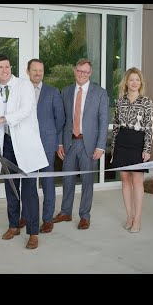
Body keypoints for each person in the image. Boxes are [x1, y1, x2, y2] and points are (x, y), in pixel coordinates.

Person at [0, 54, 49, 250]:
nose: (4, 70)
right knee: (10, 188)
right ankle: (13, 225)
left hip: (26, 146)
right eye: (0, 68)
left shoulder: (24, 85)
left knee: (29, 191)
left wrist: (1, 118)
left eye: (7, 67)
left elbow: (26, 110)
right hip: (7, 146)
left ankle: (33, 232)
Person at [54, 58, 109, 230]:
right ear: (74, 70)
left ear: (90, 73)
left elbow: (103, 120)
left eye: (85, 72)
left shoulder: (100, 93)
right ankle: (65, 212)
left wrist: (100, 146)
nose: (82, 74)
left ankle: (84, 216)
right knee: (67, 180)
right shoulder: (66, 91)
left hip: (90, 145)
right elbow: (61, 120)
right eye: (79, 71)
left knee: (87, 182)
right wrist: (59, 144)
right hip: (69, 143)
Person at [110, 67, 153, 233]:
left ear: (140, 82)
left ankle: (137, 219)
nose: (135, 83)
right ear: (126, 82)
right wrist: (113, 148)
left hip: (138, 142)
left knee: (137, 181)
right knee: (125, 180)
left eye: (137, 79)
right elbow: (115, 127)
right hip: (122, 141)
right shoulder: (119, 101)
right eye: (131, 80)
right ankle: (129, 216)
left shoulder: (146, 102)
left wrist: (147, 148)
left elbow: (149, 127)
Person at [26, 59, 65, 234]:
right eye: (34, 70)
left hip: (47, 145)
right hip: (26, 145)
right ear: (28, 72)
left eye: (40, 70)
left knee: (48, 182)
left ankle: (47, 219)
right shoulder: (21, 91)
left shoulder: (53, 92)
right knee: (28, 183)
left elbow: (61, 119)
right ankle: (27, 216)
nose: (37, 73)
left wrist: (50, 136)